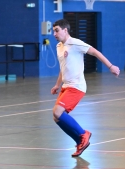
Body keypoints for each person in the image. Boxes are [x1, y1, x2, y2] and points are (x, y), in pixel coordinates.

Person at [51, 19, 120, 157]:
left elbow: (95, 52)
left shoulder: (75, 43)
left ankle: (83, 134)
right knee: (56, 117)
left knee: (57, 112)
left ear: (65, 30)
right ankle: (80, 141)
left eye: (57, 30)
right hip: (66, 85)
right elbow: (63, 68)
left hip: (76, 86)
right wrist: (57, 85)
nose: (54, 34)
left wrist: (111, 66)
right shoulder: (59, 46)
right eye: (53, 31)